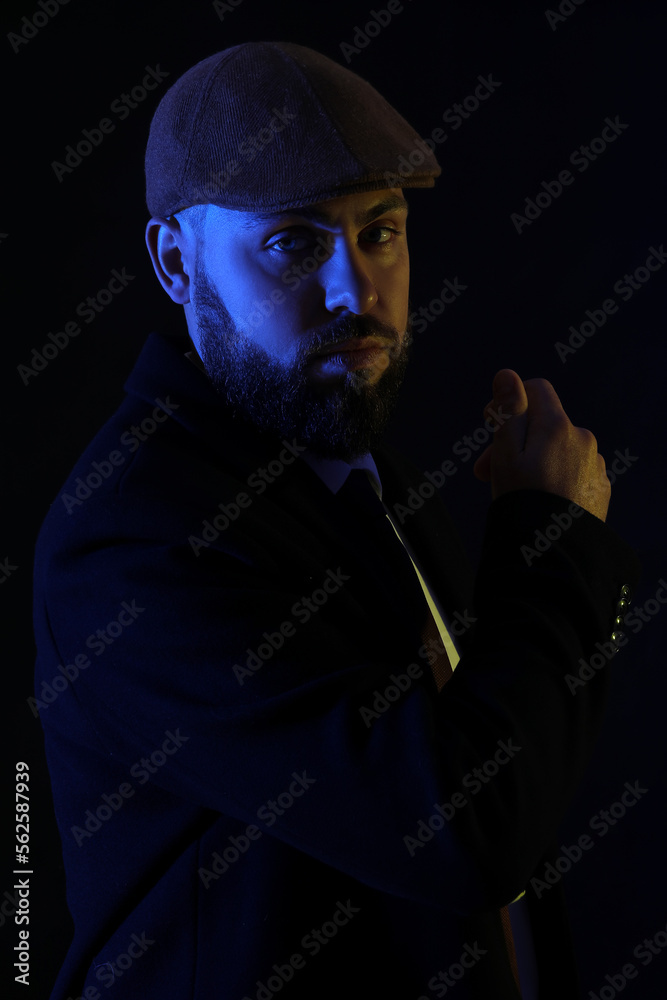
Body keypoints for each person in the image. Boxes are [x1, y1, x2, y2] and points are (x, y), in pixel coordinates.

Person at [33, 41, 639, 999]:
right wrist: (555, 543)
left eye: (380, 232)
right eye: (295, 242)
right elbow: (461, 832)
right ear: (177, 263)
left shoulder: (363, 480)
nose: (357, 292)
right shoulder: (134, 542)